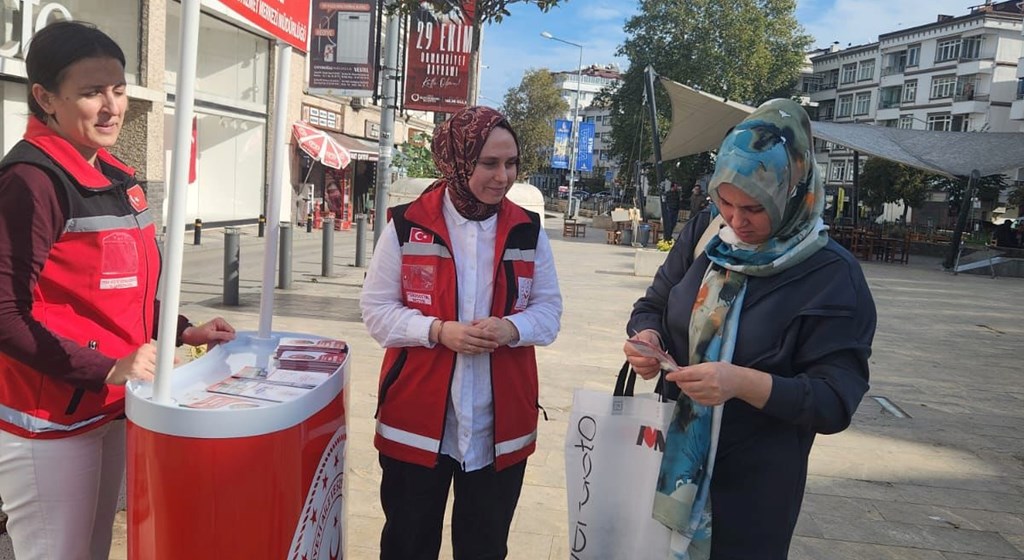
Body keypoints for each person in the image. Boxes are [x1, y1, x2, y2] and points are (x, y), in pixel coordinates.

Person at [0, 21, 235, 560]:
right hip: (50, 419)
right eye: (90, 92)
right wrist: (104, 367)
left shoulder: (114, 173)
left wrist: (180, 330)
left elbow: (120, 300)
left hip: (109, 405)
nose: (111, 106)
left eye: (118, 89)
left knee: (94, 548)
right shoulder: (30, 182)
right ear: (44, 98)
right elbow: (5, 313)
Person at [623, 99, 876, 559]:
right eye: (726, 201)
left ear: (793, 192)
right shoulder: (708, 233)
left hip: (751, 495)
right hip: (665, 466)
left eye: (755, 208)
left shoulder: (831, 276)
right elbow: (654, 305)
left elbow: (835, 400)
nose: (736, 221)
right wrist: (648, 339)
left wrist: (740, 383)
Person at [360, 105, 562, 560]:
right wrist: (437, 331)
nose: (503, 176)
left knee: (485, 547)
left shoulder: (528, 232)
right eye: (489, 163)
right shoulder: (407, 224)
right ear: (456, 159)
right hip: (416, 420)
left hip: (499, 425)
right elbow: (375, 311)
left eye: (511, 163)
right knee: (407, 544)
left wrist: (512, 328)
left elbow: (549, 312)